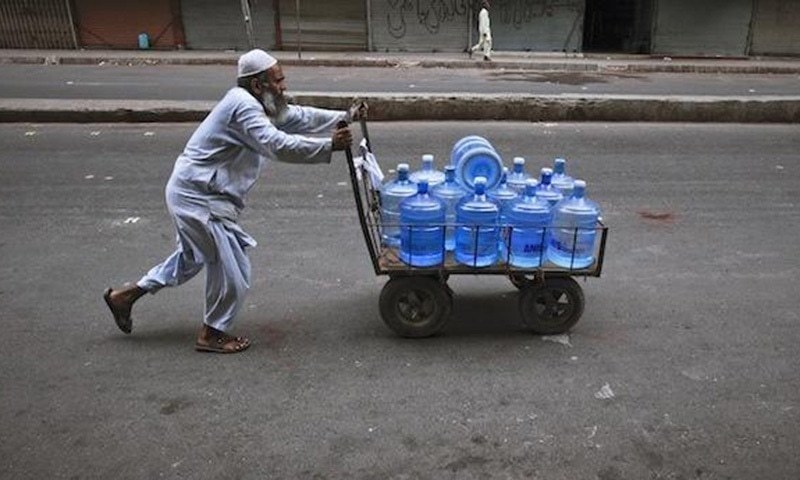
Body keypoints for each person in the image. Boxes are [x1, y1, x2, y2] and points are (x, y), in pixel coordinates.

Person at [103, 49, 367, 354]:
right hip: (200, 196)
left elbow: (297, 117)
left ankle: (124, 296)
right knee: (233, 268)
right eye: (278, 81)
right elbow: (275, 145)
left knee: (191, 259)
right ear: (258, 85)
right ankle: (212, 333)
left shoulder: (260, 104)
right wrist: (328, 147)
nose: (284, 87)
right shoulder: (243, 107)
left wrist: (345, 116)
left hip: (199, 191)